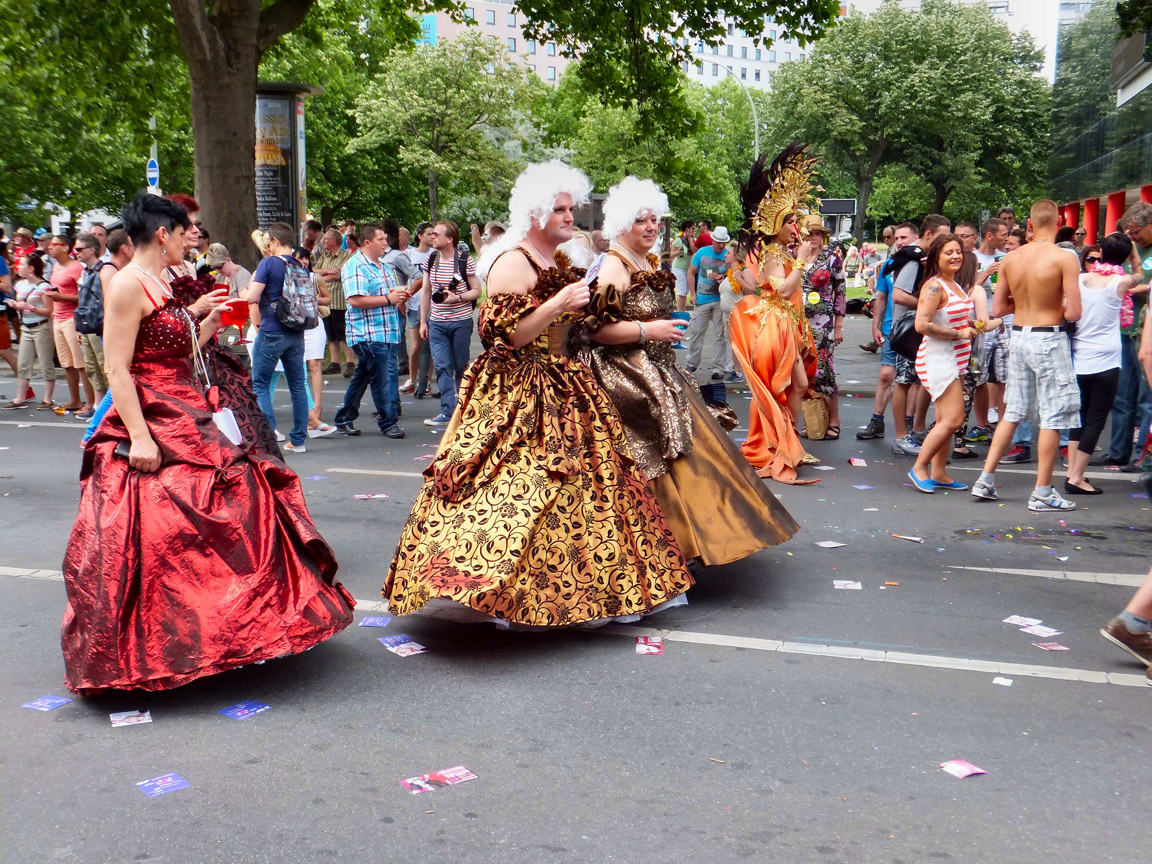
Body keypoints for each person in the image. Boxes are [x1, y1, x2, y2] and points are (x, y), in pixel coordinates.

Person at [61, 192, 354, 695]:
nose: (189, 240)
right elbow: (117, 368)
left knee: (240, 502)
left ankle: (237, 631)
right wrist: (138, 437)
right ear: (162, 234)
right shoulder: (128, 285)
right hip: (154, 414)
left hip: (191, 406)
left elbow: (179, 351)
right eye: (182, 233)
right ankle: (176, 644)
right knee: (161, 526)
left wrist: (210, 325)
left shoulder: (161, 280)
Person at [384, 161, 693, 627]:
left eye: (571, 208)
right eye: (561, 210)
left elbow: (574, 330)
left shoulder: (558, 261)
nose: (570, 217)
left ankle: (576, 590)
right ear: (535, 214)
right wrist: (558, 304)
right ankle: (487, 585)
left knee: (582, 496)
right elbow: (502, 338)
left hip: (567, 386)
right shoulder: (512, 262)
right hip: (520, 392)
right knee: (518, 493)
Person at [585, 176, 799, 565]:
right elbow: (595, 330)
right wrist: (649, 330)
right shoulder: (614, 267)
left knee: (694, 455)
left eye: (654, 220)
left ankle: (694, 541)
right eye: (640, 221)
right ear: (621, 223)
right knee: (652, 463)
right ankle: (661, 550)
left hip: (656, 369)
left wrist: (656, 333)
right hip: (626, 379)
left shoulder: (641, 260)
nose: (650, 227)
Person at [971, 200, 1082, 510]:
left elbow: (999, 309)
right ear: (1058, 221)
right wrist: (1052, 304)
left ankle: (985, 479)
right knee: (1054, 414)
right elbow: (1073, 312)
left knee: (1014, 410)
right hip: (1049, 338)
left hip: (1019, 336)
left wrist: (1030, 302)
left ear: (1030, 224)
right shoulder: (1065, 257)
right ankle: (1043, 491)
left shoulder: (1011, 258)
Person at [729, 144, 821, 484]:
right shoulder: (772, 252)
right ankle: (770, 444)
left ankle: (789, 440)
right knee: (775, 387)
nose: (795, 226)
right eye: (791, 220)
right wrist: (803, 262)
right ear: (778, 225)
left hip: (786, 324)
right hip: (772, 327)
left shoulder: (781, 249)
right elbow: (781, 290)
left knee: (797, 384)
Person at [1065, 233, 1140, 494]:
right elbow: (1139, 276)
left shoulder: (1080, 279)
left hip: (1079, 357)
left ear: (1100, 252)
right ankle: (1076, 478)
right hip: (1106, 360)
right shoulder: (1121, 282)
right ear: (1125, 256)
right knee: (1096, 420)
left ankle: (1071, 472)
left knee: (1080, 417)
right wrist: (1135, 257)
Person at [906, 235, 978, 492]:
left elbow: (951, 319)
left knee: (944, 418)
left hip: (955, 359)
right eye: (949, 252)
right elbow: (921, 325)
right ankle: (919, 467)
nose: (955, 256)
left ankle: (939, 472)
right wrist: (959, 333)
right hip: (938, 359)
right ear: (937, 256)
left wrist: (968, 327)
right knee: (954, 419)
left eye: (958, 251)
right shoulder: (934, 286)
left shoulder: (954, 284)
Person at [332, 223, 409, 439]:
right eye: (381, 239)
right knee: (381, 378)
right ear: (367, 243)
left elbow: (389, 295)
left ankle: (344, 418)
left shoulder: (384, 266)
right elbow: (355, 300)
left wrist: (399, 296)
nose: (386, 242)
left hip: (386, 332)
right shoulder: (355, 265)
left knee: (363, 376)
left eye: (386, 238)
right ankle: (388, 422)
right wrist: (388, 298)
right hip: (367, 333)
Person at [246, 221, 314, 454]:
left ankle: (268, 434)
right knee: (297, 386)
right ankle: (298, 440)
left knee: (261, 384)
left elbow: (252, 297)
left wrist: (245, 291)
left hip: (271, 331)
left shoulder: (268, 264)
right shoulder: (300, 265)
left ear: (274, 241)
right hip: (296, 332)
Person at [1094, 203, 1152, 469]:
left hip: (1146, 333)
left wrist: (1132, 288)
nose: (1133, 236)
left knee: (1146, 399)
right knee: (1122, 397)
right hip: (1124, 331)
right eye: (1128, 232)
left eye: (1136, 231)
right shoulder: (1131, 249)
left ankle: (1144, 455)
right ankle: (1118, 451)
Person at [889, 215, 952, 456]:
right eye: (941, 236)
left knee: (923, 381)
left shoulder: (926, 261)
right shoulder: (913, 261)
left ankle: (917, 429)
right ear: (928, 235)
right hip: (908, 334)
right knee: (904, 382)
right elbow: (898, 295)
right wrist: (926, 306)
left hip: (919, 331)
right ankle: (900, 437)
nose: (945, 241)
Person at [857, 223, 918, 441]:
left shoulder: (921, 264)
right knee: (886, 376)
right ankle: (877, 422)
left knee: (910, 381)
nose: (900, 241)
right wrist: (875, 326)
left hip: (913, 331)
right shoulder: (890, 265)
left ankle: (908, 424)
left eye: (905, 238)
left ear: (916, 238)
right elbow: (881, 297)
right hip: (891, 329)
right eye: (898, 237)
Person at [420, 220, 481, 428]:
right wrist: (423, 322)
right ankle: (447, 411)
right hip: (437, 322)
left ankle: (464, 411)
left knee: (461, 366)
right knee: (442, 366)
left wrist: (458, 298)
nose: (432, 236)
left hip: (461, 321)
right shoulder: (431, 259)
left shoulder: (464, 261)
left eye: (437, 234)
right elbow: (426, 291)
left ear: (449, 238)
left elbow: (477, 291)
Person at [799, 216, 846, 439]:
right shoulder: (793, 256)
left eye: (817, 233)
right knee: (804, 372)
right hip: (798, 321)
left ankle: (834, 419)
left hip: (823, 322)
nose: (813, 238)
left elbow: (841, 292)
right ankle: (813, 418)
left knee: (824, 370)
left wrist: (838, 326)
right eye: (809, 233)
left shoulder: (831, 259)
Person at [44, 235, 91, 414]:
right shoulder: (55, 267)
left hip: (72, 318)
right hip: (58, 317)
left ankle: (90, 401)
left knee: (81, 363)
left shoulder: (77, 267)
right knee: (66, 363)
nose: (50, 247)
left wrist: (61, 297)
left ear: (65, 247)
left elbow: (84, 296)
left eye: (54, 244)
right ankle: (75, 399)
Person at [1, 255, 56, 409]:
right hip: (26, 327)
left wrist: (31, 308)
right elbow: (18, 301)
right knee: (24, 364)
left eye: (22, 264)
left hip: (42, 327)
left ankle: (48, 398)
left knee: (45, 363)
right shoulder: (20, 284)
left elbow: (49, 310)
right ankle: (20, 398)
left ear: (31, 268)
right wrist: (15, 304)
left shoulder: (44, 287)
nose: (18, 266)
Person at [684, 226, 734, 379]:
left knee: (720, 334)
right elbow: (691, 272)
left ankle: (718, 367)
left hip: (720, 300)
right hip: (702, 298)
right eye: (718, 242)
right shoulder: (702, 252)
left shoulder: (728, 255)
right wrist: (692, 293)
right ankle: (692, 362)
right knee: (697, 331)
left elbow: (734, 277)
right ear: (713, 240)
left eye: (723, 243)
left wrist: (721, 277)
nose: (721, 246)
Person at [312, 229, 355, 377]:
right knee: (330, 334)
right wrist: (328, 271)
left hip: (339, 301)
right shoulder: (324, 257)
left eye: (326, 239)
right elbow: (313, 271)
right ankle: (335, 363)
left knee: (344, 334)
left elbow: (340, 275)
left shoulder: (345, 257)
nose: (323, 242)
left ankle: (350, 363)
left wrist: (320, 277)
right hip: (325, 302)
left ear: (334, 241)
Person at [402, 221, 436, 398]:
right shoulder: (409, 253)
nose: (433, 236)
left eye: (434, 233)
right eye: (429, 233)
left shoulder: (435, 253)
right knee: (416, 346)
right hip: (413, 303)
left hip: (431, 305)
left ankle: (426, 380)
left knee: (428, 345)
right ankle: (412, 378)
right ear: (420, 235)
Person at [670, 219, 695, 313]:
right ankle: (681, 313)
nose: (693, 230)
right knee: (681, 291)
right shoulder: (679, 240)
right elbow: (671, 254)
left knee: (686, 291)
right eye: (692, 228)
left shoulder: (692, 240)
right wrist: (678, 252)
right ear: (687, 229)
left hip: (688, 268)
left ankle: (682, 311)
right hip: (679, 268)